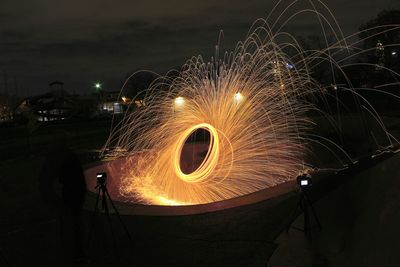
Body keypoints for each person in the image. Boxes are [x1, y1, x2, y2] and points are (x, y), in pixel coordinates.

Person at [38, 134, 87, 264]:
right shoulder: (70, 156)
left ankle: (71, 251)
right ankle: (77, 251)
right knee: (74, 223)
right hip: (75, 194)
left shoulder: (58, 157)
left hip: (69, 194)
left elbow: (46, 177)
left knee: (68, 223)